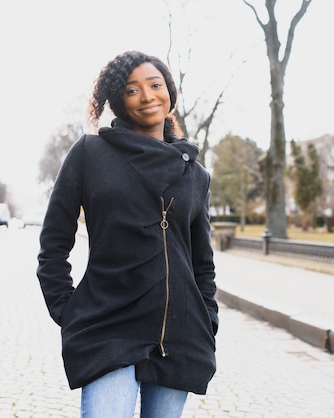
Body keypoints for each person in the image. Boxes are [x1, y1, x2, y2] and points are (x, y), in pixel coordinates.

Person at [36, 50, 218, 418]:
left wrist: (207, 318)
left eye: (155, 85)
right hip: (107, 327)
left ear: (169, 91)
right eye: (133, 90)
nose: (148, 96)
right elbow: (54, 244)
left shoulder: (195, 174)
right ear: (118, 100)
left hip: (178, 334)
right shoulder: (89, 154)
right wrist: (67, 310)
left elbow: (203, 261)